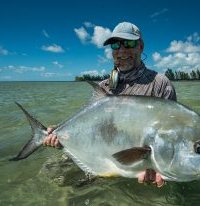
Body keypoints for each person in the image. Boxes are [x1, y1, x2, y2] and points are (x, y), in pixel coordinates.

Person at [44, 22, 177, 187]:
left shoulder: (160, 83)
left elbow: (171, 135)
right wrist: (59, 133)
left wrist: (159, 167)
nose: (121, 50)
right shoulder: (104, 86)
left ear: (141, 47)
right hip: (101, 160)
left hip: (136, 165)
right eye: (116, 45)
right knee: (56, 178)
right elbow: (89, 124)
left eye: (128, 43)